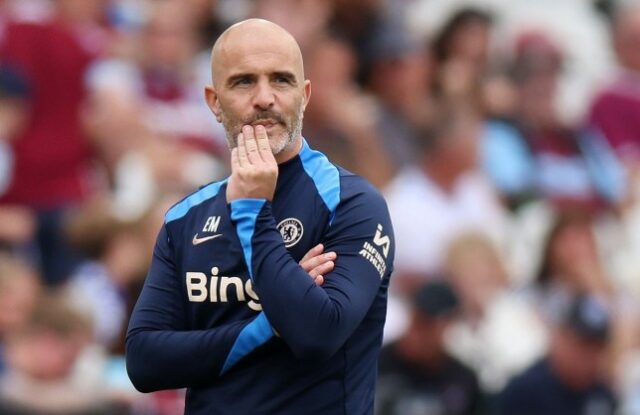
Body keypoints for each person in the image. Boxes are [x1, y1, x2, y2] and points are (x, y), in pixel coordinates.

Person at [125, 18, 395, 414]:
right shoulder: (185, 218)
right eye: (244, 82)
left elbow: (318, 332)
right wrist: (269, 325)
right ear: (214, 102)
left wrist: (251, 210)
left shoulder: (353, 204)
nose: (265, 97)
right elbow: (145, 361)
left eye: (281, 80)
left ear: (303, 96)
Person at [376, 280, 483, 415]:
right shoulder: (377, 363)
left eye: (427, 325)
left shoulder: (462, 380)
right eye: (415, 320)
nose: (416, 333)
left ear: (448, 326)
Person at [499, 294, 617, 415]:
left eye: (596, 350)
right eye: (581, 346)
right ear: (559, 339)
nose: (588, 357)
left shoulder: (602, 395)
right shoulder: (524, 391)